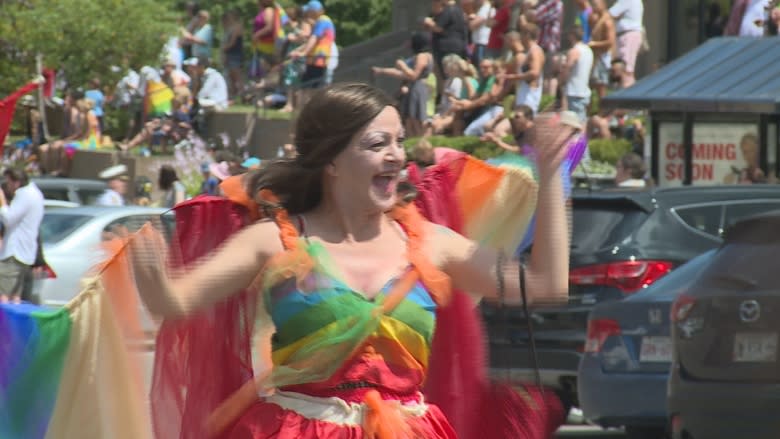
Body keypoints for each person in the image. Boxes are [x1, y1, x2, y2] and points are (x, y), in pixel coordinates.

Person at [125, 83, 576, 437]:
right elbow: (175, 303)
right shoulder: (276, 240)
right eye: (379, 143)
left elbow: (543, 284)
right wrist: (151, 275)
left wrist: (554, 175)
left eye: (399, 142)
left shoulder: (432, 243)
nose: (397, 156)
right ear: (333, 161)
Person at [0, 169, 44, 304]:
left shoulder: (23, 195)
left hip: (14, 252)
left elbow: (8, 218)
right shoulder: (35, 194)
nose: (7, 186)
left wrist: (2, 202)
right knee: (16, 297)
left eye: (8, 182)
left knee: (4, 295)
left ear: (17, 182)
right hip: (26, 252)